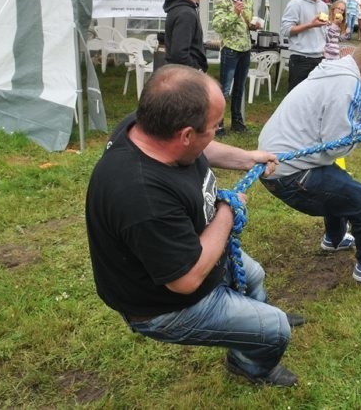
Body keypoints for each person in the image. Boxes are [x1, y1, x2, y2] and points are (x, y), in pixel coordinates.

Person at [85, 65, 301, 387]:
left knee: (254, 276)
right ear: (186, 135)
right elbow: (186, 280)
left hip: (191, 251)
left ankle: (253, 330)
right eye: (216, 125)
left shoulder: (150, 125)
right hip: (163, 305)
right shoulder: (141, 196)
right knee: (277, 329)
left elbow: (205, 146)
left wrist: (246, 158)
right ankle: (251, 363)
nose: (217, 130)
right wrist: (227, 210)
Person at [258, 37, 361, 283]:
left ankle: (334, 239)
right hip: (288, 173)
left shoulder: (342, 72)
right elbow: (335, 143)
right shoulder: (346, 84)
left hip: (278, 164)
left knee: (341, 182)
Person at [212, 0, 257, 135]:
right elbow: (218, 25)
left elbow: (248, 22)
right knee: (224, 89)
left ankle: (237, 122)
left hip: (245, 47)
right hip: (230, 48)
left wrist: (254, 24)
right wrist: (234, 14)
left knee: (239, 87)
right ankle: (218, 124)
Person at [280, 0, 330, 92]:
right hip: (301, 59)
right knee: (296, 99)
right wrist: (310, 25)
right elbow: (285, 30)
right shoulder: (295, 3)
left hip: (319, 58)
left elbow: (322, 32)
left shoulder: (323, 6)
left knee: (315, 99)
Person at [163, 0, 211, 72]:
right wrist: (197, 70)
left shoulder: (182, 8)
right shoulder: (186, 13)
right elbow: (179, 54)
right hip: (184, 76)